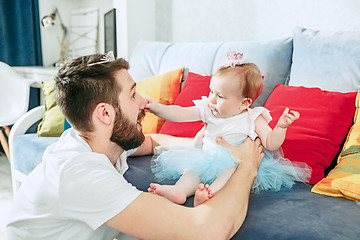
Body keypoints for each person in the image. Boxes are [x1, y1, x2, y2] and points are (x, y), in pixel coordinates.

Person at [7, 51, 264, 240]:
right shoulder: (80, 173)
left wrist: (212, 149)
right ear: (105, 114)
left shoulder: (95, 140)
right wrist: (247, 166)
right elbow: (208, 231)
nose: (143, 102)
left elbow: (153, 142)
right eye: (133, 95)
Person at [147, 49, 311, 206]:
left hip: (236, 163)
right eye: (211, 91)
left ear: (244, 103)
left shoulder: (253, 117)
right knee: (192, 170)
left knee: (230, 175)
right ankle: (179, 191)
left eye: (220, 96)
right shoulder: (209, 109)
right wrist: (158, 108)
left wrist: (281, 127)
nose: (211, 99)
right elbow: (181, 113)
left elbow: (271, 143)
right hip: (206, 157)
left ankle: (210, 194)